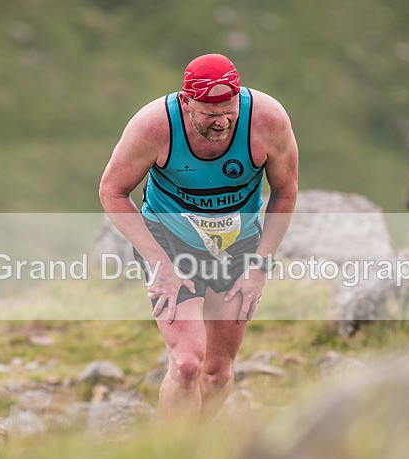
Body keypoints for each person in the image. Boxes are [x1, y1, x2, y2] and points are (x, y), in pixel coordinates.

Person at [99, 53, 298, 418]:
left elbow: (285, 192)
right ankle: (172, 447)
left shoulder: (267, 121)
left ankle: (197, 444)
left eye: (229, 110)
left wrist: (260, 266)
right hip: (170, 242)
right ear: (186, 101)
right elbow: (111, 191)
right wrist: (160, 264)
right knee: (188, 363)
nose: (222, 122)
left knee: (217, 372)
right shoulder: (154, 126)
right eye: (209, 113)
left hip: (238, 245)